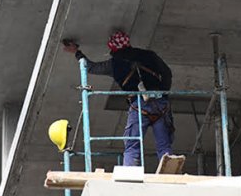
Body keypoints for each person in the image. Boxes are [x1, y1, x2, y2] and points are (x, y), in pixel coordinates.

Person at [63, 30, 174, 166]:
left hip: (139, 105)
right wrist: (163, 93)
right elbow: (167, 73)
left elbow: (90, 67)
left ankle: (130, 171)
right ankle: (168, 162)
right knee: (164, 143)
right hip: (160, 102)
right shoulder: (149, 55)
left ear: (112, 48)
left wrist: (77, 52)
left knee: (132, 146)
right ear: (128, 43)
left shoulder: (114, 64)